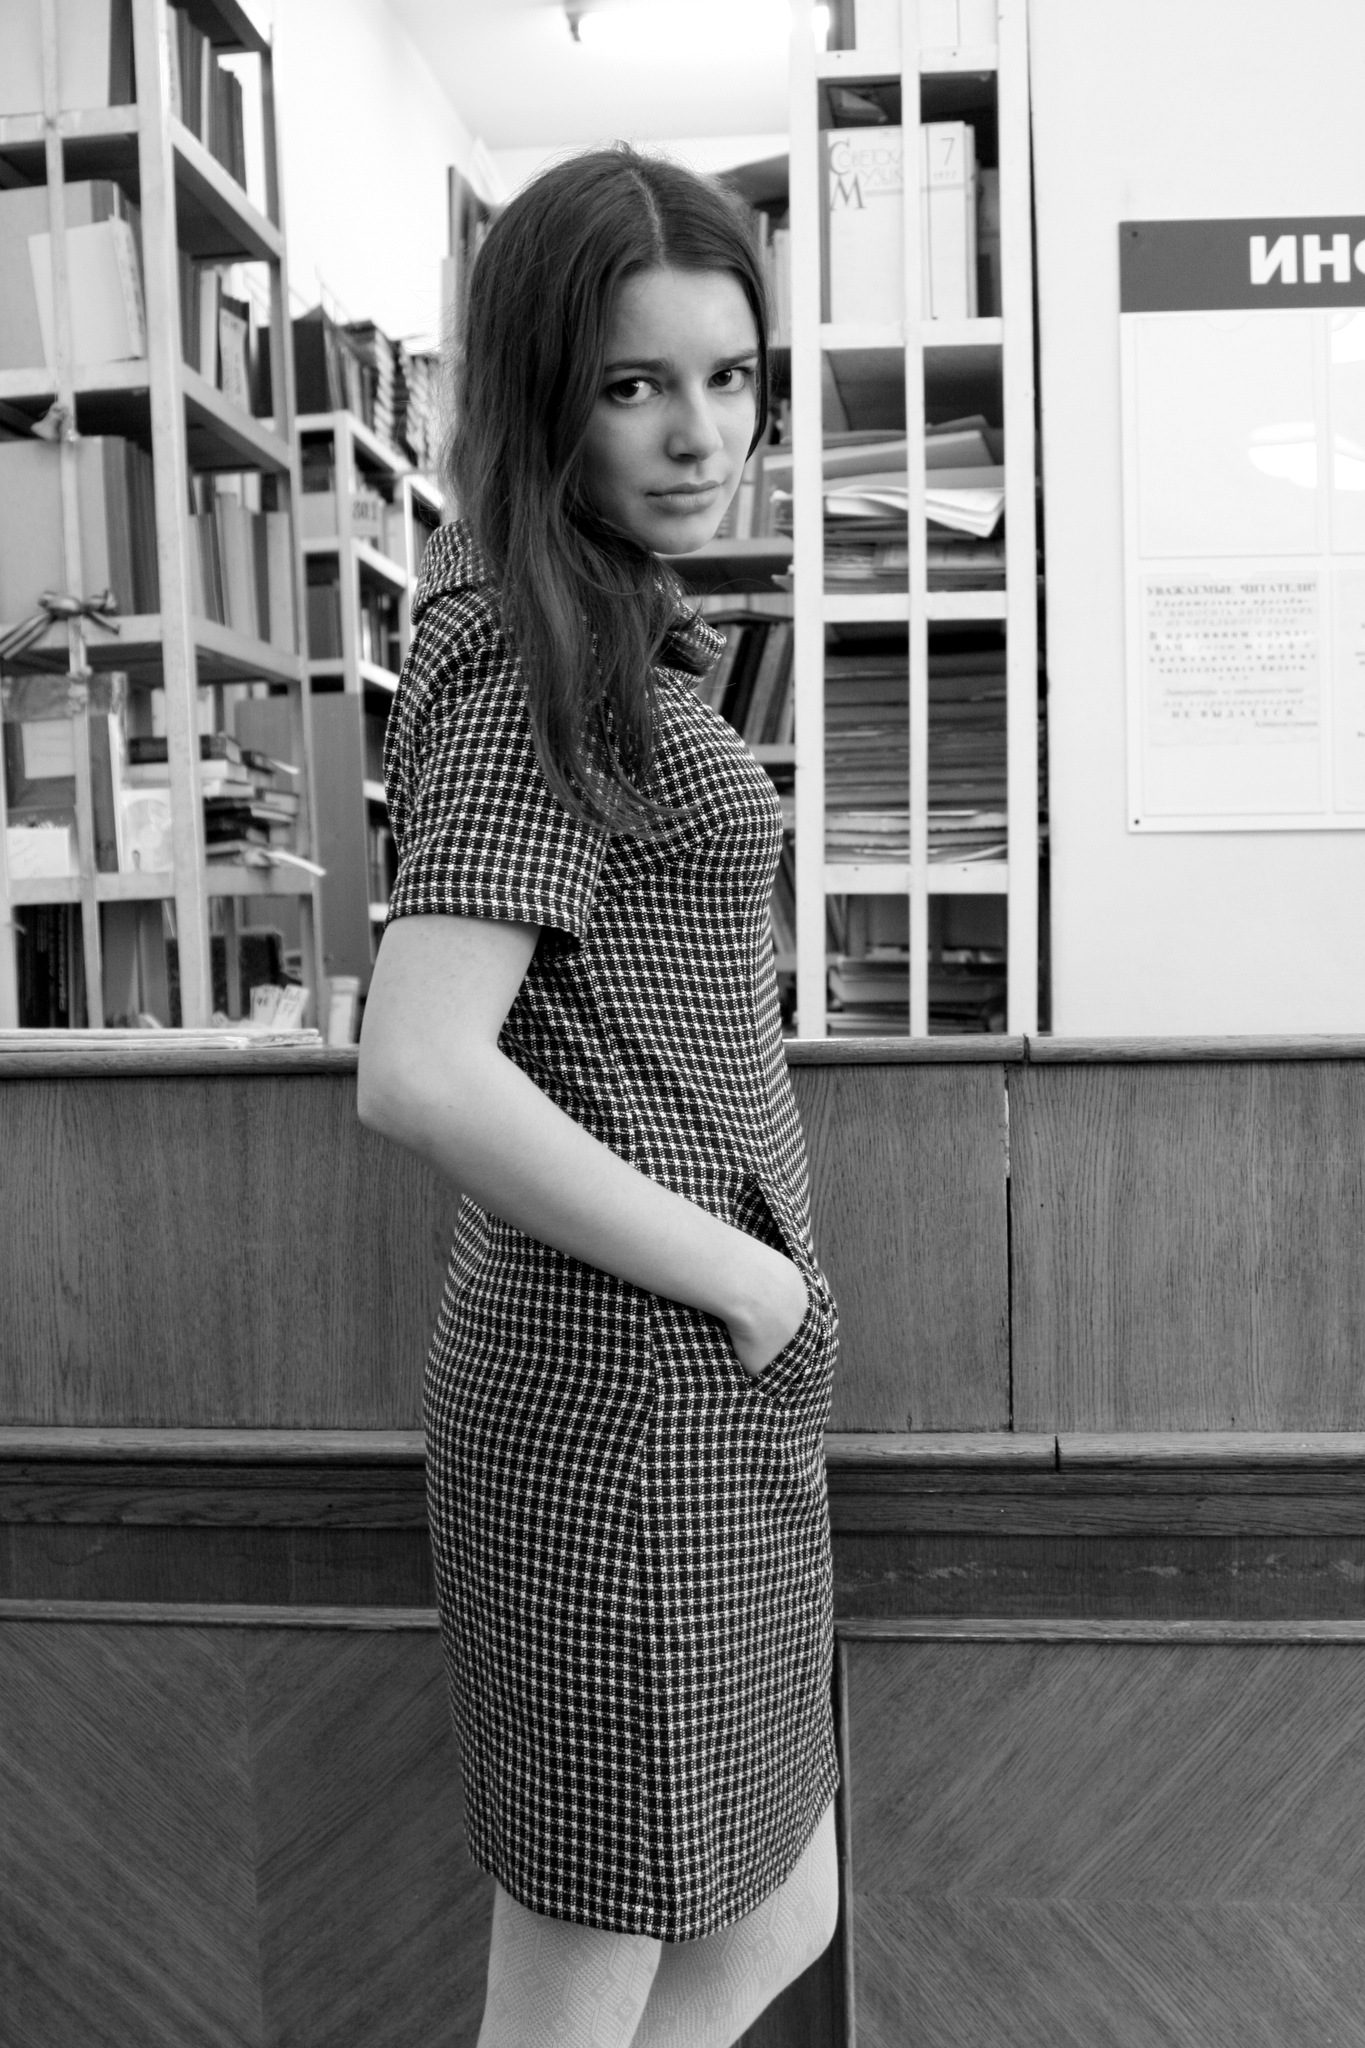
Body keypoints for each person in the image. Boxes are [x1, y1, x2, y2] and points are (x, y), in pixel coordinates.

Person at [357, 145, 840, 2048]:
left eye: (729, 377)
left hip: (672, 1393)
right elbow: (419, 1066)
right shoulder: (525, 648)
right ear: (541, 393)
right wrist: (742, 1279)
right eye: (634, 384)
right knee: (582, 1984)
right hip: (620, 1396)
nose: (698, 432)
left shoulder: (601, 620)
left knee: (775, 1908)